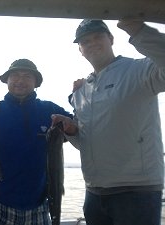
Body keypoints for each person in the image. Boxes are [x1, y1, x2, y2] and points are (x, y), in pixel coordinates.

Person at [52, 19, 165, 225]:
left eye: (98, 37)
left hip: (137, 193)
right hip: (94, 194)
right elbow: (86, 143)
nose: (92, 43)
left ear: (111, 39)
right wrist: (71, 131)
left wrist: (140, 32)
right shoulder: (81, 92)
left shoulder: (140, 70)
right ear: (80, 50)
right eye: (85, 41)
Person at [0, 58, 73, 224]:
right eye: (15, 75)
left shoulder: (50, 110)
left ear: (36, 82)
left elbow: (77, 129)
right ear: (7, 80)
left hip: (38, 206)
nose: (20, 80)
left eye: (27, 76)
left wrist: (75, 99)